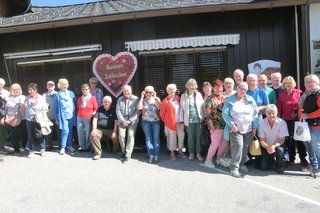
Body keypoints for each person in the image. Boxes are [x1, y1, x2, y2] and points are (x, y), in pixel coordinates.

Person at [222, 82, 258, 178]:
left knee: (245, 147)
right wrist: (232, 124)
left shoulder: (250, 100)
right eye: (241, 89)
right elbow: (225, 114)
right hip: (235, 128)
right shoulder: (230, 100)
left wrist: (255, 126)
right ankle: (234, 167)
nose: (243, 91)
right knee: (238, 146)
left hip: (248, 128)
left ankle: (241, 164)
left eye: (245, 90)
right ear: (237, 88)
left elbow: (255, 114)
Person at [277, 76, 309, 168]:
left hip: (298, 120)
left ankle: (303, 159)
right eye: (286, 83)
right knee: (290, 140)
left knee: (300, 140)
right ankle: (291, 159)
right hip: (286, 120)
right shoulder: (281, 95)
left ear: (293, 84)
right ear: (284, 84)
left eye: (290, 83)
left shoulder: (299, 92)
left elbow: (304, 104)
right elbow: (279, 109)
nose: (288, 85)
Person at [297, 74, 320, 176]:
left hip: (316, 125)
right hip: (306, 125)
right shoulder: (305, 94)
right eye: (307, 82)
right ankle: (315, 166)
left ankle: (317, 167)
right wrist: (301, 118)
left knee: (316, 147)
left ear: (317, 83)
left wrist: (308, 116)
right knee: (309, 146)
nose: (309, 84)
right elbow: (300, 109)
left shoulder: (318, 94)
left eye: (312, 82)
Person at [204, 80, 228, 169]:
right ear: (213, 88)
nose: (219, 89)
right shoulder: (210, 98)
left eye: (220, 87)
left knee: (223, 143)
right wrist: (211, 124)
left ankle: (219, 158)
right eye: (216, 87)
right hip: (215, 125)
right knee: (215, 143)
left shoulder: (224, 98)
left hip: (225, 125)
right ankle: (208, 160)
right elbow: (208, 112)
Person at [159, 84, 187, 160]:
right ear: (167, 91)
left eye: (174, 89)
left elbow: (182, 109)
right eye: (170, 90)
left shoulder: (178, 98)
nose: (172, 91)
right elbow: (161, 114)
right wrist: (167, 122)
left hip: (179, 121)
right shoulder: (165, 101)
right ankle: (172, 153)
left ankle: (180, 151)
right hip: (170, 123)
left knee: (181, 136)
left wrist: (182, 121)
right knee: (172, 137)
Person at [259, 104, 289, 174]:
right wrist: (267, 147)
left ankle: (279, 167)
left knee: (280, 150)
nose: (271, 115)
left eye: (273, 113)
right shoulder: (262, 123)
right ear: (265, 113)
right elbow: (262, 140)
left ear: (277, 113)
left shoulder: (282, 123)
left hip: (278, 145)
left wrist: (274, 146)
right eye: (269, 113)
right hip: (266, 145)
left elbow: (282, 140)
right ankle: (271, 160)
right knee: (264, 167)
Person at [180, 78, 204, 161]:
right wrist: (181, 121)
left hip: (199, 120)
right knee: (190, 137)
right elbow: (181, 109)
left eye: (193, 85)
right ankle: (191, 153)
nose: (191, 86)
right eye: (190, 85)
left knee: (198, 137)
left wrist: (204, 118)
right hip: (189, 121)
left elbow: (202, 107)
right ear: (187, 86)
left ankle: (198, 153)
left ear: (196, 86)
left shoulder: (199, 94)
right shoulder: (183, 96)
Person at [137, 86, 161, 163]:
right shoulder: (143, 100)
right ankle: (151, 155)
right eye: (146, 92)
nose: (148, 94)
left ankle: (156, 155)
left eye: (150, 92)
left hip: (156, 121)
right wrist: (141, 97)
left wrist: (155, 98)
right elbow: (139, 108)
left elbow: (160, 107)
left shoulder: (156, 99)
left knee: (156, 138)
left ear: (153, 92)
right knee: (148, 138)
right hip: (146, 121)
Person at [116, 85, 139, 163]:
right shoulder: (120, 99)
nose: (126, 92)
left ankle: (128, 155)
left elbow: (138, 112)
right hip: (122, 120)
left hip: (132, 121)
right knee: (121, 136)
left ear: (131, 91)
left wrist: (130, 121)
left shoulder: (136, 99)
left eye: (128, 91)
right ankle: (124, 151)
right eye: (124, 91)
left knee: (130, 135)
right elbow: (118, 111)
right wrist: (123, 121)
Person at [90, 96, 118, 160]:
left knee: (115, 136)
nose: (106, 103)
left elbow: (116, 121)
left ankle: (115, 150)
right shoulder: (99, 109)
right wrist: (94, 129)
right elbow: (95, 119)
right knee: (93, 135)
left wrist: (115, 131)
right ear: (103, 102)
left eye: (108, 102)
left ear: (110, 102)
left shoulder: (114, 109)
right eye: (105, 101)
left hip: (110, 129)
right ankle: (98, 153)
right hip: (100, 129)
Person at [24, 83, 48, 158]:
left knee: (41, 134)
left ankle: (42, 149)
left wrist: (42, 116)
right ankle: (31, 151)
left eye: (31, 90)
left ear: (35, 90)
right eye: (28, 90)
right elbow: (24, 109)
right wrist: (23, 107)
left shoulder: (41, 98)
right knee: (30, 135)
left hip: (39, 119)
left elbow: (45, 109)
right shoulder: (27, 98)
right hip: (29, 119)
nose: (29, 91)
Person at [56, 78, 77, 155]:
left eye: (65, 84)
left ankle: (70, 146)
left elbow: (75, 104)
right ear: (60, 85)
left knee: (70, 131)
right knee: (65, 131)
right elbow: (56, 108)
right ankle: (63, 147)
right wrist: (57, 118)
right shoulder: (58, 95)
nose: (64, 86)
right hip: (63, 116)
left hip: (71, 115)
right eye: (63, 84)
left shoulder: (71, 93)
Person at [4, 84, 26, 154]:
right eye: (14, 89)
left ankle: (25, 148)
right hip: (12, 119)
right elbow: (5, 109)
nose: (16, 90)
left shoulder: (23, 97)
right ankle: (16, 149)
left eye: (18, 89)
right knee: (14, 135)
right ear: (11, 90)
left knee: (24, 134)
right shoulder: (7, 98)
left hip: (23, 118)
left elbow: (26, 108)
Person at [77, 83, 98, 152]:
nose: (85, 91)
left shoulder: (92, 98)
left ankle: (87, 146)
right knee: (80, 132)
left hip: (88, 118)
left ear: (89, 90)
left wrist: (92, 115)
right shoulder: (79, 99)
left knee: (87, 132)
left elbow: (96, 108)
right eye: (83, 89)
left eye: (86, 89)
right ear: (81, 90)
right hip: (79, 117)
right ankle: (82, 146)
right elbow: (77, 108)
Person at [42, 81, 60, 151]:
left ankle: (60, 146)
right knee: (48, 132)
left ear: (54, 86)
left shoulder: (58, 94)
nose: (50, 86)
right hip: (48, 117)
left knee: (59, 132)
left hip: (57, 117)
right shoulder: (44, 95)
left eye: (52, 85)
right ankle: (49, 146)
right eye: (49, 85)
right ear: (47, 87)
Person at [0, 78, 9, 151]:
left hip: (2, 114)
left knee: (2, 130)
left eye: (1, 85)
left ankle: (1, 145)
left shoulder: (6, 92)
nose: (0, 86)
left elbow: (9, 103)